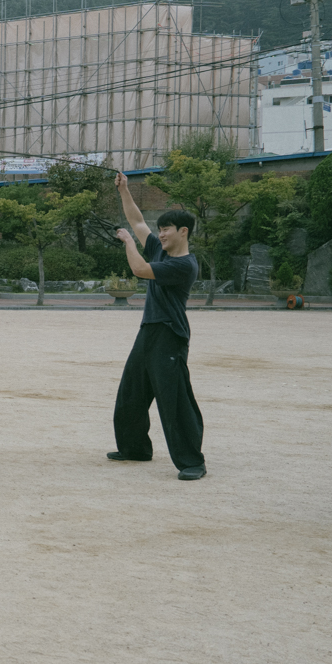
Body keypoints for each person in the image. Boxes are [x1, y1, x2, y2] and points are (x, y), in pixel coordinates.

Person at [107, 173, 205, 479]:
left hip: (170, 334)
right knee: (131, 392)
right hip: (149, 330)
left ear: (183, 232)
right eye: (160, 230)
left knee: (174, 399)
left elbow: (139, 269)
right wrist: (124, 190)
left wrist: (127, 242)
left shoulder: (184, 265)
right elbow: (137, 221)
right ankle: (135, 448)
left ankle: (192, 462)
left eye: (166, 230)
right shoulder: (161, 251)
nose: (160, 235)